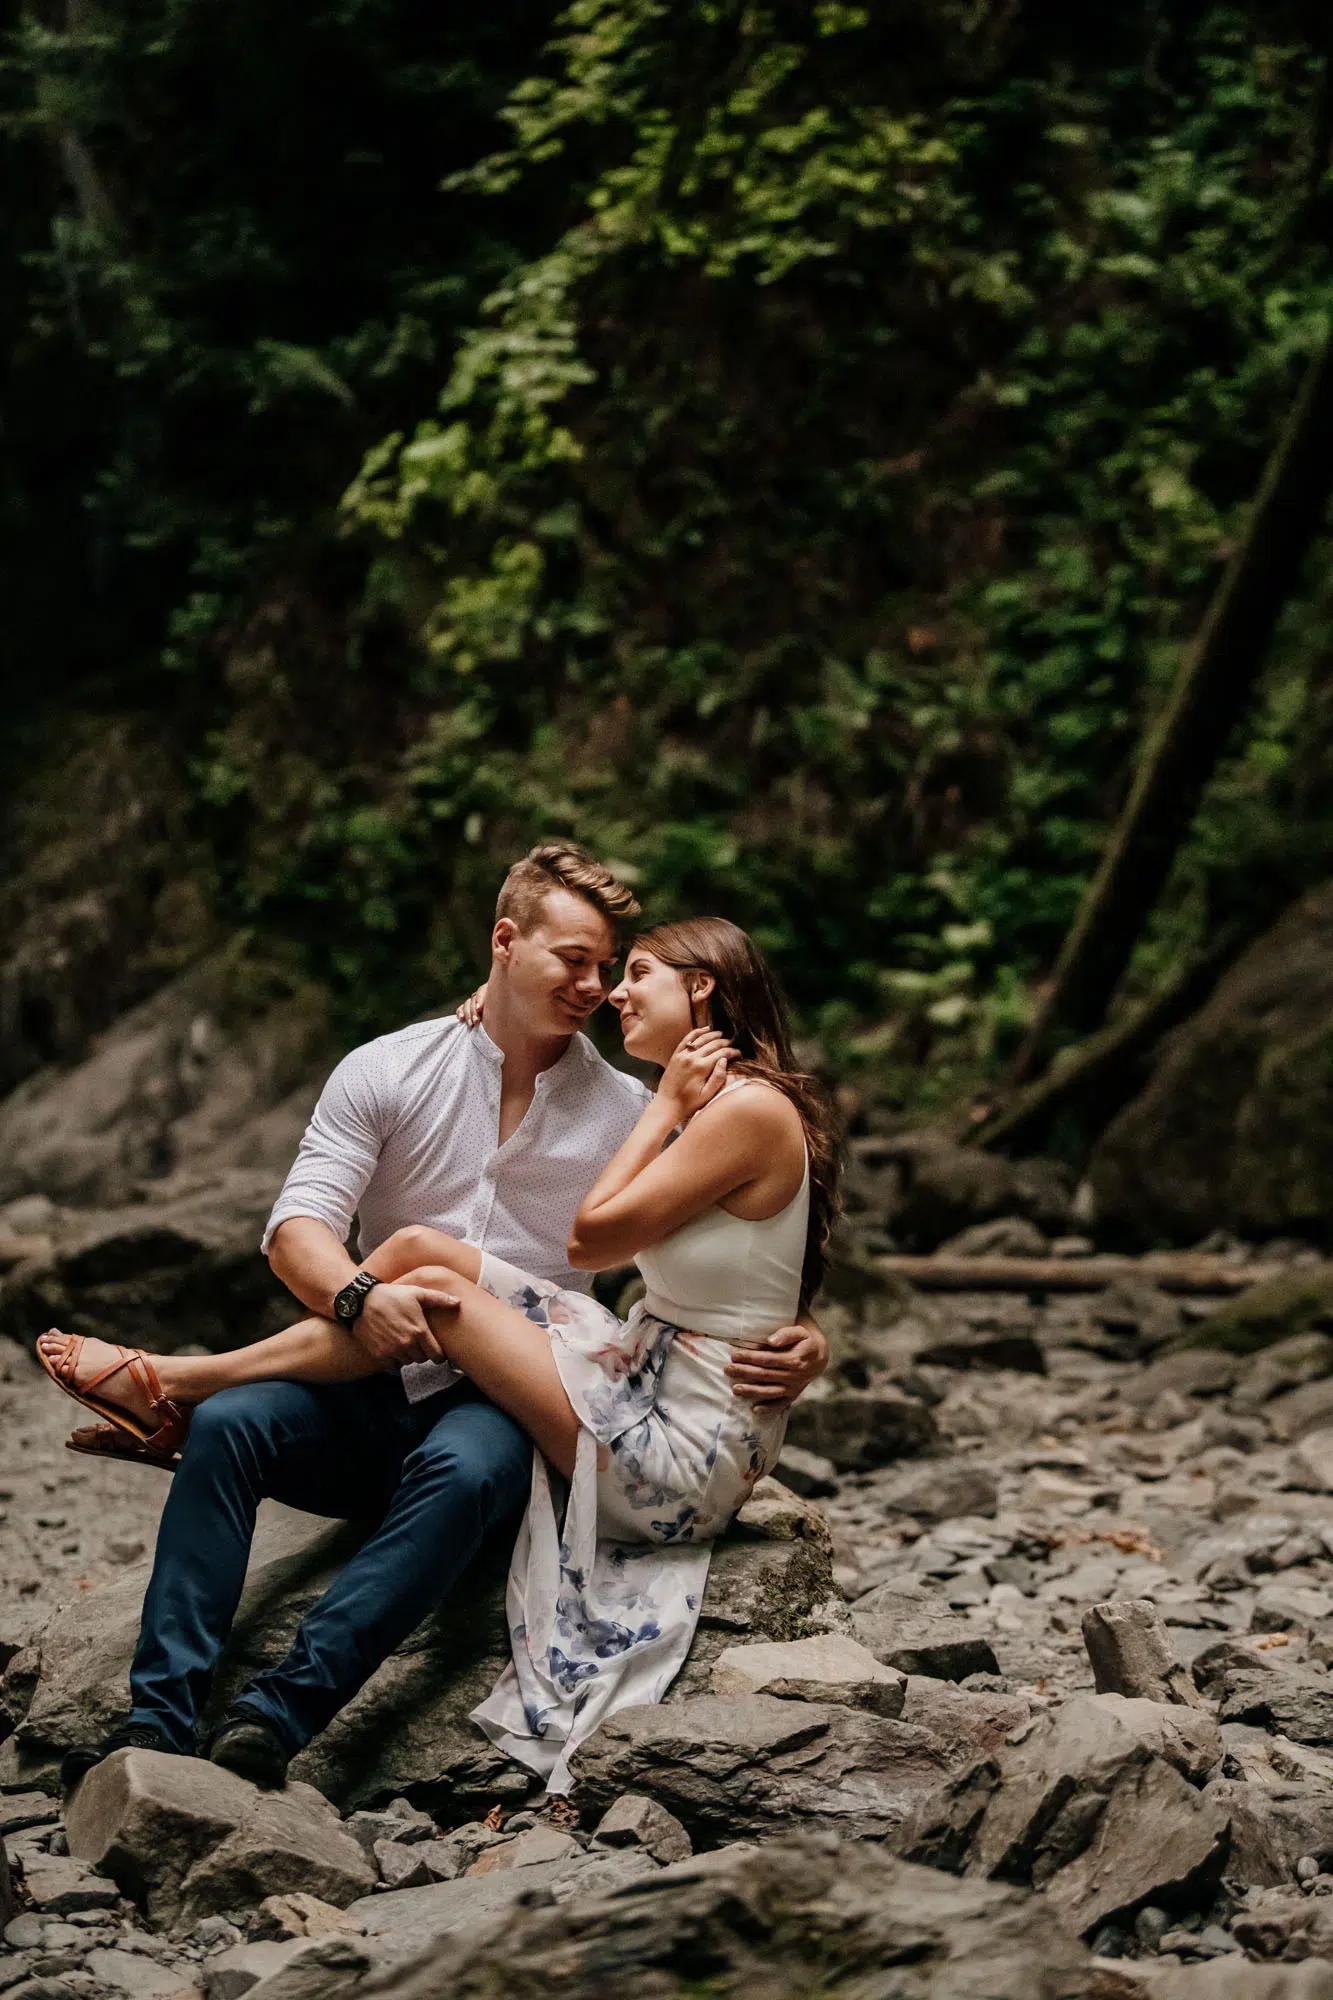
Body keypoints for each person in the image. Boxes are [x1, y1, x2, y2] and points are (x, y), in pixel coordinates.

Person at [44, 848, 828, 1789]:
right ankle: (157, 1723)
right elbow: (296, 1231)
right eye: (573, 961)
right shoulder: (391, 1068)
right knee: (228, 1429)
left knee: (467, 1463)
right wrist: (357, 1303)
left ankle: (276, 1717)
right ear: (503, 942)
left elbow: (753, 1235)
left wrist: (803, 1338)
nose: (596, 988)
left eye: (611, 967)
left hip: (510, 1405)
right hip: (363, 1373)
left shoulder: (641, 1109)